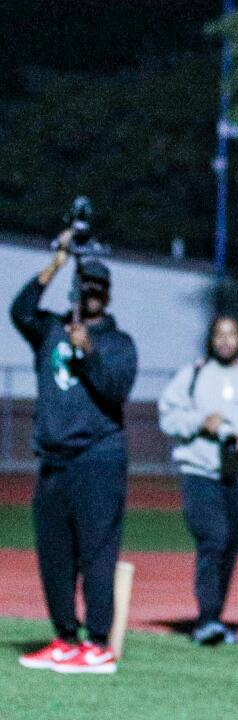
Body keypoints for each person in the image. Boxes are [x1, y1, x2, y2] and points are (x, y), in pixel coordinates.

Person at [13, 234, 137, 674]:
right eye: (85, 289)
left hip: (97, 460)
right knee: (55, 555)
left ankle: (97, 642)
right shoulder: (49, 330)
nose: (92, 296)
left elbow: (115, 389)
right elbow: (20, 310)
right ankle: (65, 637)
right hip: (54, 460)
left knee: (96, 554)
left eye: (98, 289)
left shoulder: (118, 342)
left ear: (108, 295)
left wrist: (88, 354)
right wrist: (57, 262)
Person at [158, 316, 238, 646]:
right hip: (200, 473)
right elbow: (168, 415)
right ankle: (207, 620)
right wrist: (200, 422)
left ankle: (215, 615)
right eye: (219, 334)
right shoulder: (194, 375)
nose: (225, 340)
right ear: (211, 339)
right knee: (212, 539)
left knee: (229, 546)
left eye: (232, 334)